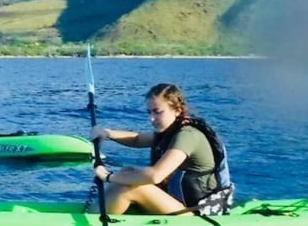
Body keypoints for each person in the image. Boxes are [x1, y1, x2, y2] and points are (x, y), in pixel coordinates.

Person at [89, 82, 234, 216]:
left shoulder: (187, 136)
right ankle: (96, 212)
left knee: (134, 186)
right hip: (179, 203)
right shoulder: (169, 131)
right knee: (128, 173)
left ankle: (92, 225)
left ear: (177, 110)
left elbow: (155, 176)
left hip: (198, 212)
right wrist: (107, 133)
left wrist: (108, 176)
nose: (152, 118)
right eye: (149, 112)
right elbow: (136, 139)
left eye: (157, 112)